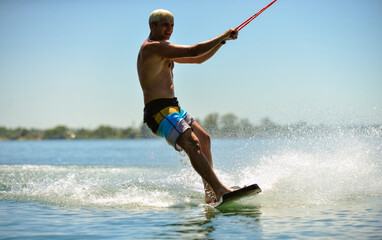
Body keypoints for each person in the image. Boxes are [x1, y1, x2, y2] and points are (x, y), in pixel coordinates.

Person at [137, 9, 238, 204]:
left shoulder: (164, 50)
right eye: (165, 25)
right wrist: (223, 35)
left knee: (204, 139)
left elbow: (198, 58)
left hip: (173, 108)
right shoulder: (152, 48)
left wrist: (222, 42)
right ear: (152, 26)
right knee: (192, 142)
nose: (169, 29)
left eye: (172, 25)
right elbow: (194, 50)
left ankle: (211, 195)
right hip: (158, 111)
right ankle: (220, 190)